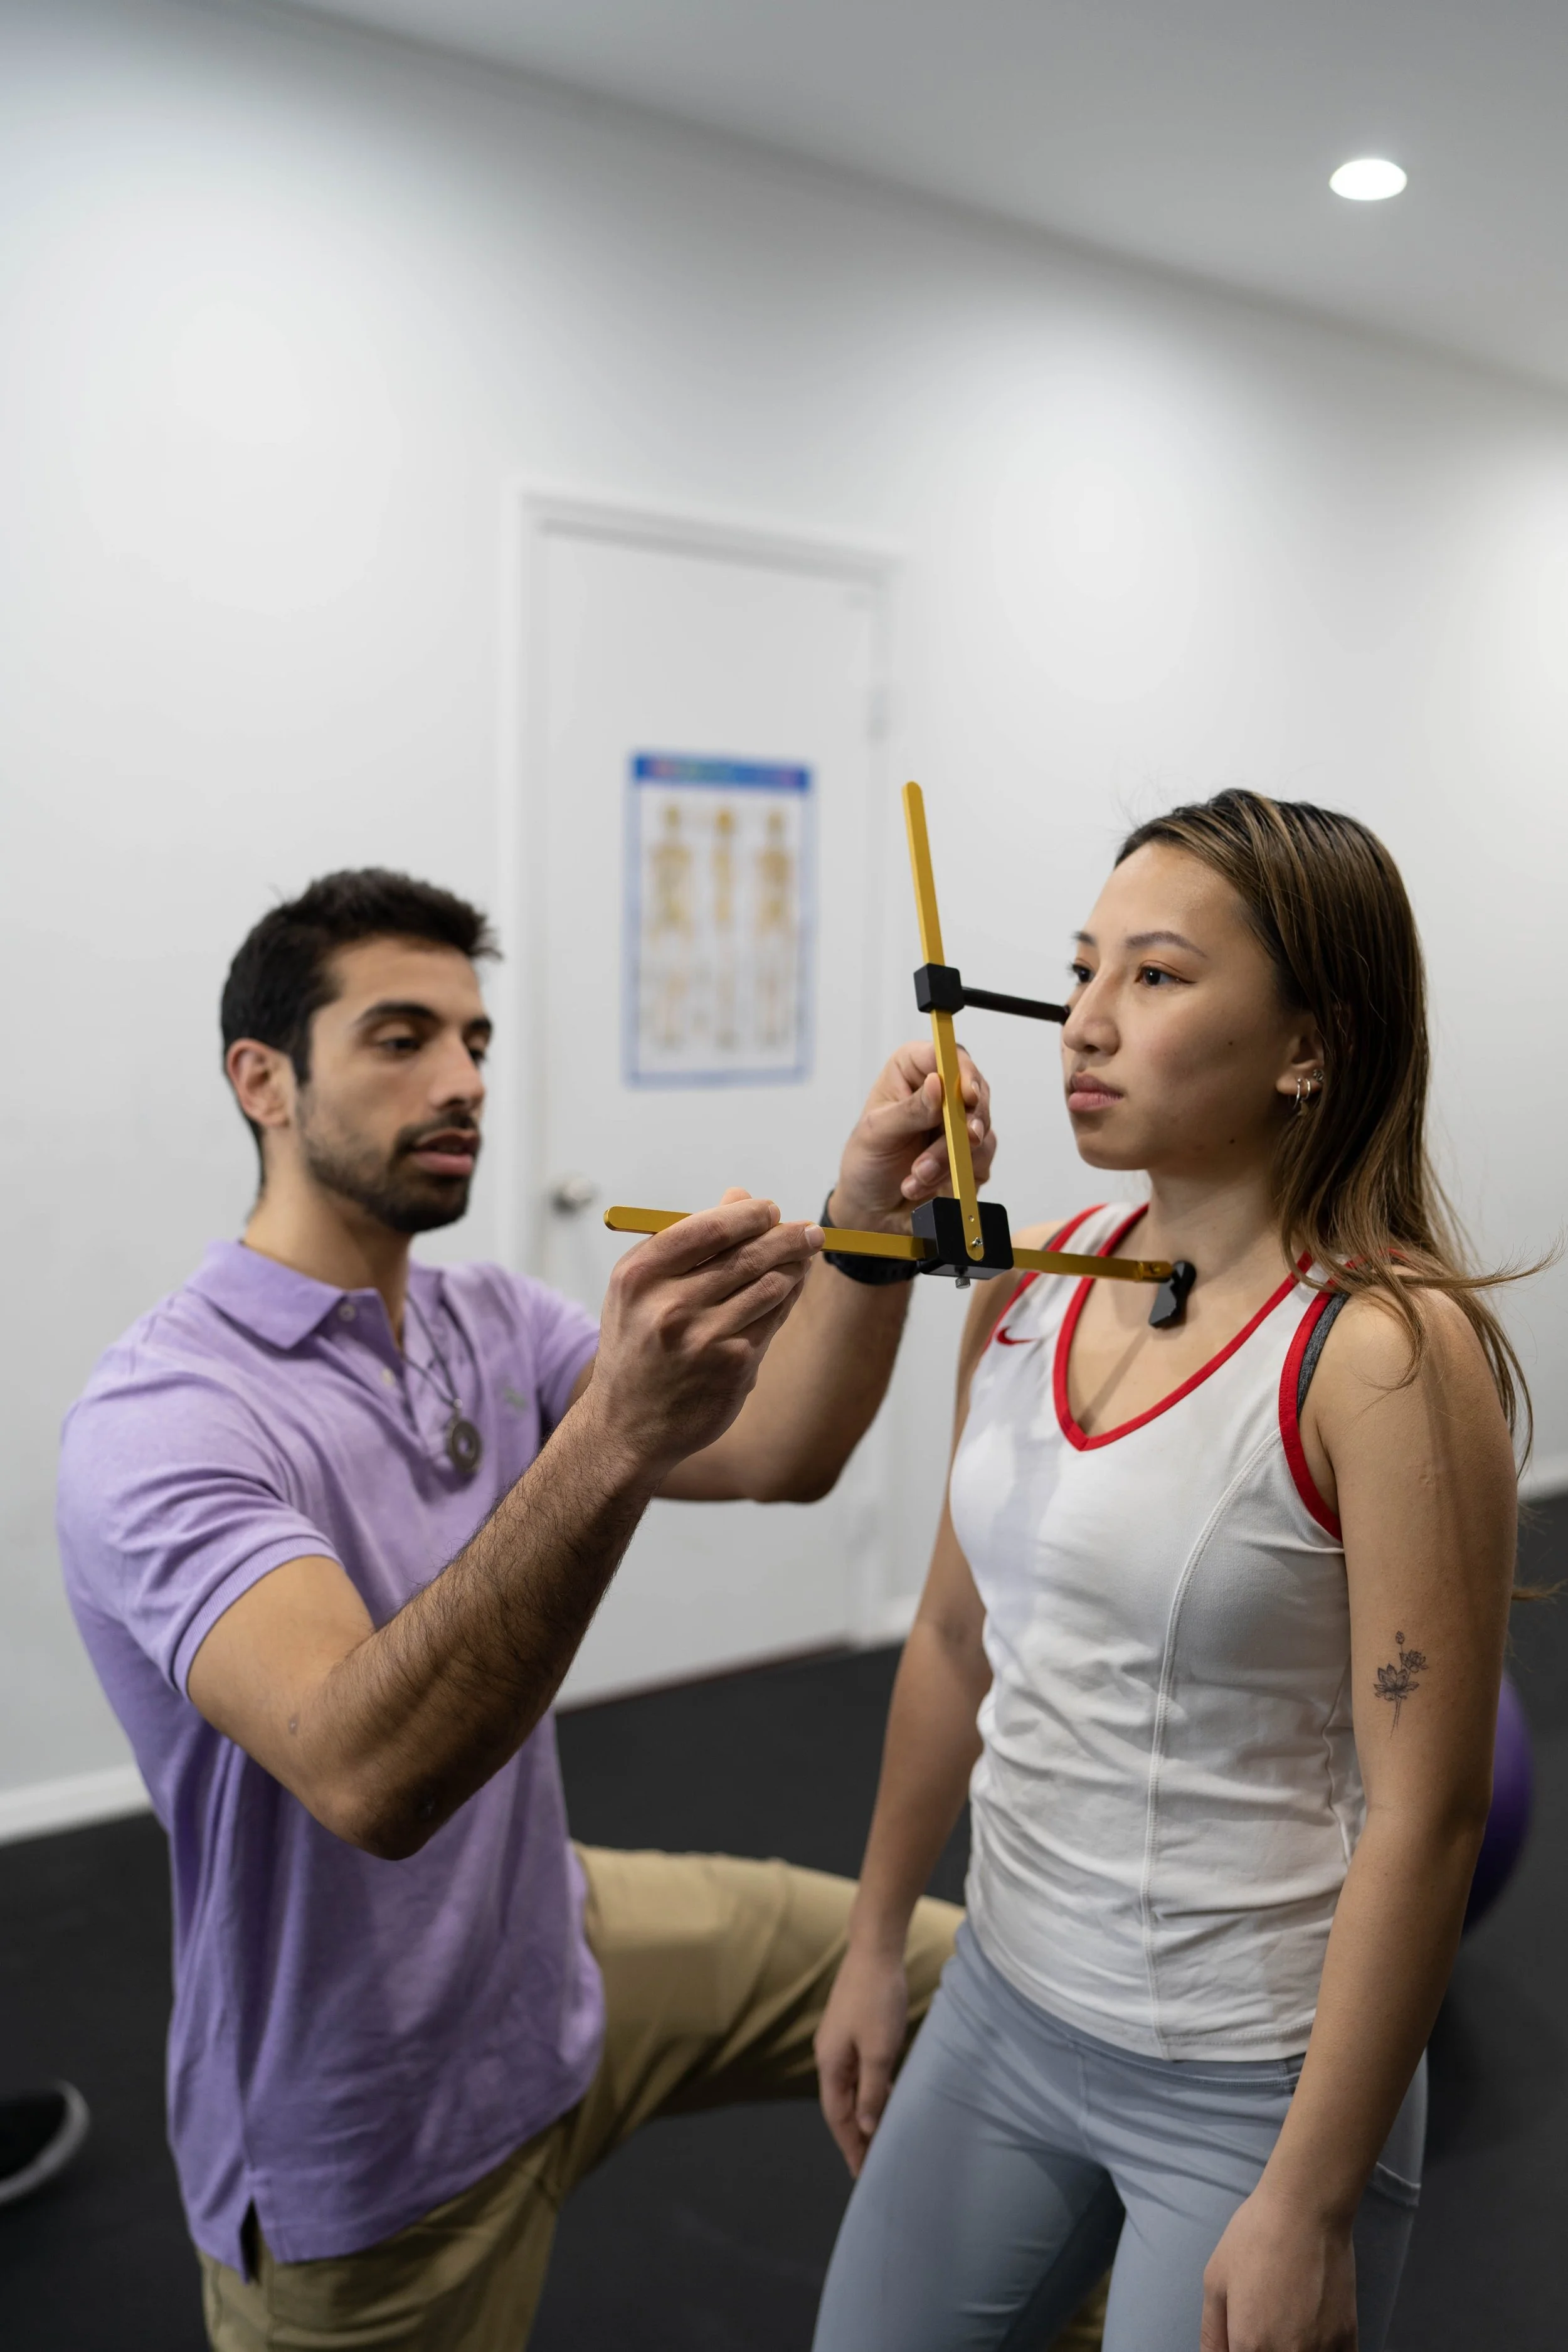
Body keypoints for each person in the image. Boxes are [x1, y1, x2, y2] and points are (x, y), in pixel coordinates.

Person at [57, 869, 993, 2350]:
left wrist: (867, 1225)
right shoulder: (169, 1417)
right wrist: (614, 1435)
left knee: (984, 1997)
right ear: (264, 1081)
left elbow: (783, 1452)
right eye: (400, 1036)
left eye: (477, 1043)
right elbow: (369, 1773)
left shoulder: (485, 1316)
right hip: (365, 2130)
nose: (459, 1082)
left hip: (551, 1943)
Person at [811, 792, 1520, 2352]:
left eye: (1152, 976)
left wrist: (1311, 2197)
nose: (1081, 1021)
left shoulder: (1388, 1356)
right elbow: (948, 1636)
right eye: (1080, 971)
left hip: (1253, 2078)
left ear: (1306, 1048)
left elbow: (1429, 1809)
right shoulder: (1024, 1284)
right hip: (999, 2002)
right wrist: (874, 1944)